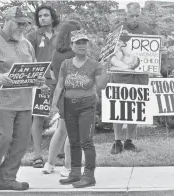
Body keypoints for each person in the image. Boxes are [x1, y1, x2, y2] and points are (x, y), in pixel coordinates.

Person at [0, 6, 45, 191]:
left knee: (21, 142)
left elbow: (33, 67)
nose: (23, 27)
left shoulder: (26, 44)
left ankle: (7, 179)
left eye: (26, 24)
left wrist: (38, 79)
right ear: (7, 20)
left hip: (23, 103)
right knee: (1, 139)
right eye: (19, 23)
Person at [51, 29, 107, 188]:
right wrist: (54, 106)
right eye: (78, 43)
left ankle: (89, 175)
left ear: (88, 45)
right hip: (68, 105)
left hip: (86, 105)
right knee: (73, 141)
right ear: (72, 46)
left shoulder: (94, 64)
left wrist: (104, 69)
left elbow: (101, 86)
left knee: (86, 141)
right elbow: (60, 85)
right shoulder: (66, 64)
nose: (82, 46)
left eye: (84, 42)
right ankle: (75, 173)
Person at [110, 2, 153, 155]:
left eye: (137, 16)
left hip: (140, 77)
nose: (135, 19)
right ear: (126, 15)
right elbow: (110, 52)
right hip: (121, 75)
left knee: (136, 108)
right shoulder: (117, 30)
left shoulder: (147, 30)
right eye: (132, 16)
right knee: (119, 108)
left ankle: (129, 141)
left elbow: (152, 55)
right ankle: (117, 141)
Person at [42, 20, 81, 177]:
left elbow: (52, 74)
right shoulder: (74, 54)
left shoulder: (56, 53)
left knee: (61, 130)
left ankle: (49, 164)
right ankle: (68, 167)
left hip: (60, 95)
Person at [26, 4, 60, 168]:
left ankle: (60, 150)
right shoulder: (32, 36)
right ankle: (37, 156)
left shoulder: (61, 36)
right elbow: (27, 58)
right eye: (40, 16)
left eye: (46, 15)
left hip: (61, 82)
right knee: (39, 117)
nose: (42, 18)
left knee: (64, 116)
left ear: (52, 17)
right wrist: (38, 79)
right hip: (42, 83)